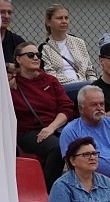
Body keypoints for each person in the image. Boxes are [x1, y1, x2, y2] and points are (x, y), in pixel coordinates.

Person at [11, 41, 71, 190]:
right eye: (30, 55)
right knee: (56, 148)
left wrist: (51, 128)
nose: (36, 58)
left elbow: (66, 108)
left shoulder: (50, 80)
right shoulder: (12, 85)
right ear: (19, 60)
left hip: (55, 127)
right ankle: (47, 190)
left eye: (38, 55)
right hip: (27, 132)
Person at [58, 85, 110, 189]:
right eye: (94, 105)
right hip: (91, 184)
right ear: (81, 108)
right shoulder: (70, 131)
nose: (99, 108)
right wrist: (105, 183)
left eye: (102, 104)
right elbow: (72, 166)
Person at [39, 4, 96, 100]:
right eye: (59, 18)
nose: (64, 21)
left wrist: (94, 83)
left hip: (86, 85)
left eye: (66, 18)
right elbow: (50, 76)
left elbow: (89, 70)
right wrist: (77, 82)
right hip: (61, 89)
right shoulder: (44, 48)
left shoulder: (79, 42)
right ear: (48, 22)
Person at [48, 137, 110, 202]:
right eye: (86, 154)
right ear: (72, 161)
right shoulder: (62, 186)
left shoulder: (106, 183)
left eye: (94, 153)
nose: (92, 157)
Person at [1, 0, 26, 74]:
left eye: (9, 12)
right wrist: (7, 66)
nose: (7, 16)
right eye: (2, 12)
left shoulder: (17, 41)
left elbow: (29, 64)